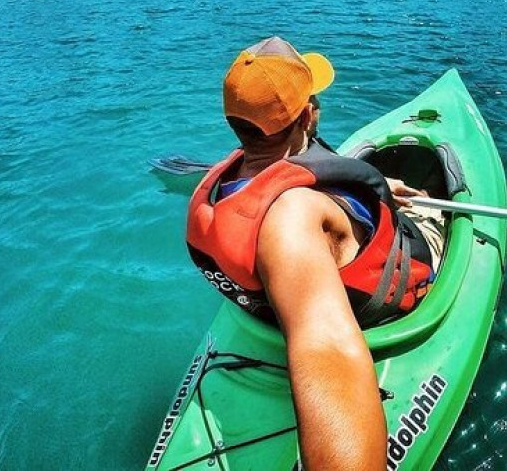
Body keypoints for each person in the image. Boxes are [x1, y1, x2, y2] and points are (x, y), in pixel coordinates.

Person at [185, 36, 445, 471]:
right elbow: (327, 352)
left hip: (269, 305)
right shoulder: (291, 222)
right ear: (308, 115)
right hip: (381, 299)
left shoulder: (221, 188)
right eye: (313, 97)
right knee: (434, 203)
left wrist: (367, 182)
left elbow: (296, 177)